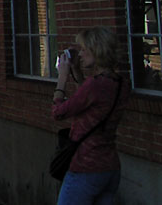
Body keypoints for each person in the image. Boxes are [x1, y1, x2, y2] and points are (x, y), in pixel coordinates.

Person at [53, 26, 130, 205]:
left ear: (97, 51)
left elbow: (58, 112)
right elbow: (93, 102)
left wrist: (62, 78)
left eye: (84, 49)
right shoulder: (122, 84)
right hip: (109, 167)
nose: (80, 54)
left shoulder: (94, 86)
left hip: (85, 167)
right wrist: (78, 73)